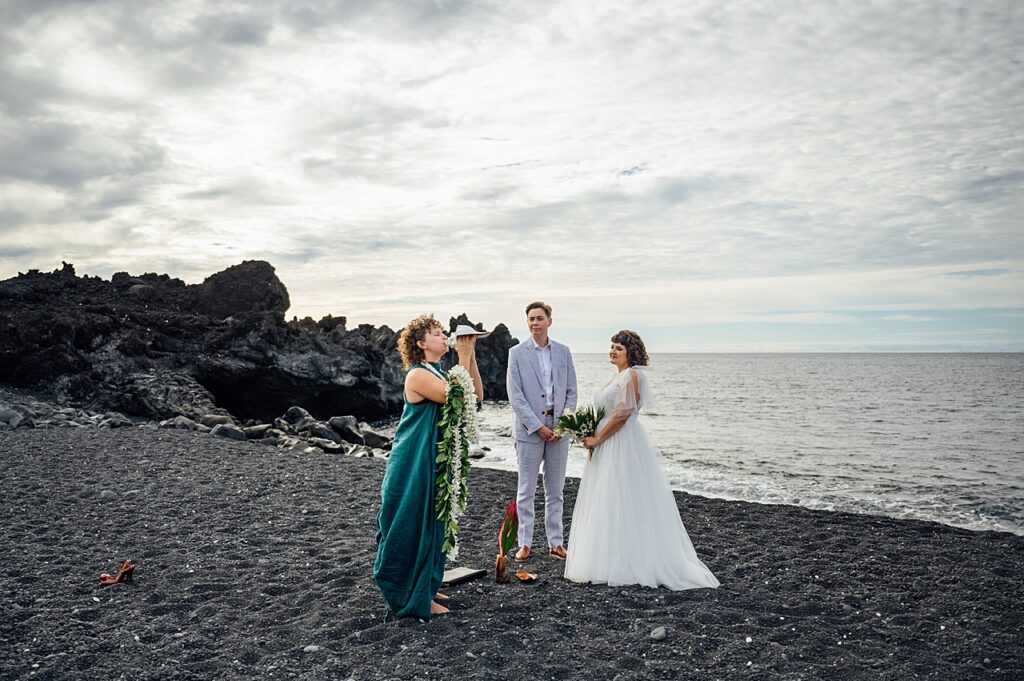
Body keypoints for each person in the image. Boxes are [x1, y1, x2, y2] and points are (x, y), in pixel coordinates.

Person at [564, 330, 719, 590]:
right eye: (611, 346)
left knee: (622, 497)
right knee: (608, 498)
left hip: (620, 444)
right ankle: (607, 557)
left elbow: (623, 414)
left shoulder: (632, 375)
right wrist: (589, 434)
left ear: (630, 352)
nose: (612, 351)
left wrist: (598, 439)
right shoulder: (618, 376)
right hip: (607, 442)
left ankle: (627, 561)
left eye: (619, 348)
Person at [374, 314, 483, 619]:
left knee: (436, 523)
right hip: (413, 460)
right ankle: (412, 596)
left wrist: (469, 353)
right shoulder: (418, 375)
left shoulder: (440, 372)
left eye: (443, 332)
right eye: (437, 333)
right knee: (413, 524)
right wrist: (461, 355)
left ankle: (427, 585)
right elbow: (457, 400)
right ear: (421, 343)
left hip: (435, 458)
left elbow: (476, 397)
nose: (444, 335)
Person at [506, 301, 578, 562]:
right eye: (531, 319)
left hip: (559, 431)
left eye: (539, 318)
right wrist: (537, 427)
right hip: (529, 432)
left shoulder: (563, 352)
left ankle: (556, 543)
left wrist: (564, 424)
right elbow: (515, 396)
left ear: (550, 320)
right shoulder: (516, 353)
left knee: (555, 490)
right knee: (526, 490)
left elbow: (571, 392)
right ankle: (524, 543)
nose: (534, 323)